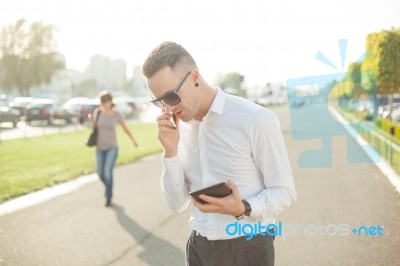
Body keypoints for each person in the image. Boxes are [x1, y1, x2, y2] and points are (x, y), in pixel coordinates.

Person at [142, 42, 296, 266]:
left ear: (194, 76)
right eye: (160, 101)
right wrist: (170, 152)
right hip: (198, 247)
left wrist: (244, 208)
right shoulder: (178, 129)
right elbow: (176, 204)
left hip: (248, 248)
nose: (169, 107)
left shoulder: (255, 119)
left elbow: (285, 191)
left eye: (171, 96)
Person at [93, 91, 139, 207]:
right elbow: (94, 127)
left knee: (107, 172)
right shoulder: (97, 112)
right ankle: (109, 187)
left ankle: (108, 196)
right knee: (100, 173)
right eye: (101, 101)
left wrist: (133, 140)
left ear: (110, 101)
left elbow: (125, 128)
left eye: (105, 101)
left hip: (112, 147)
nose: (103, 103)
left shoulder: (116, 114)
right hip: (99, 147)